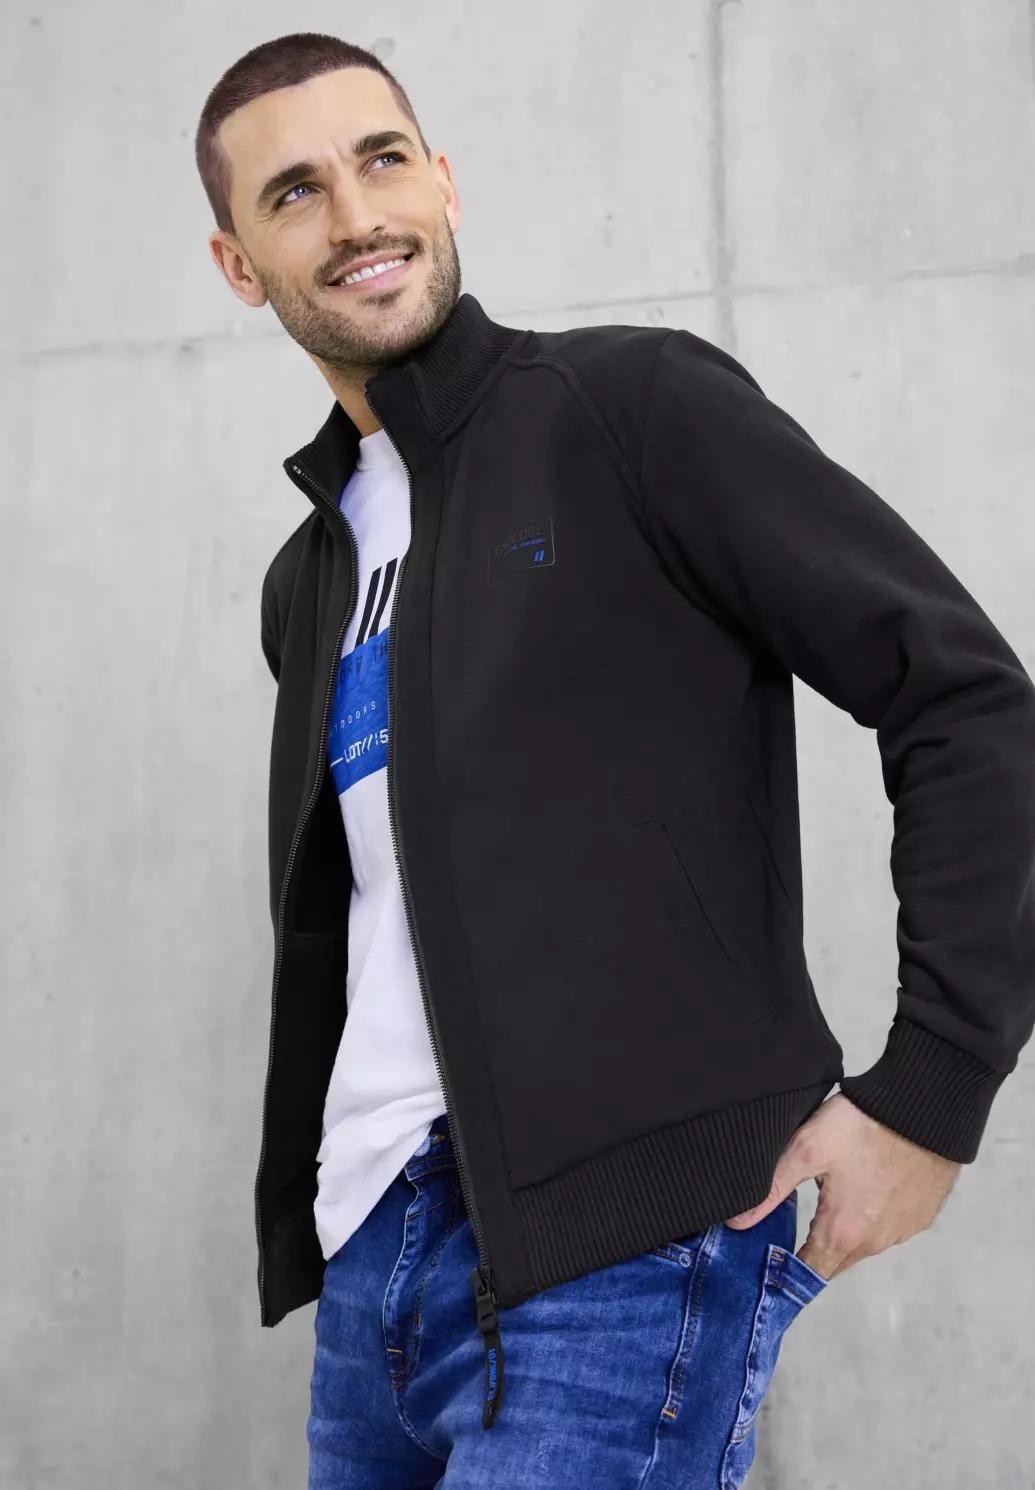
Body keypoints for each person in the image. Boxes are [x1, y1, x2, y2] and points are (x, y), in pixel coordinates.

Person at [195, 31, 1035, 1488]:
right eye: (296, 192)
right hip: (374, 1258)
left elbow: (966, 700)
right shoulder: (308, 578)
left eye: (383, 160)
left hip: (624, 1257)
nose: (357, 215)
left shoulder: (631, 411)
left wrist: (933, 1086)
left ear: (444, 182)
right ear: (239, 264)